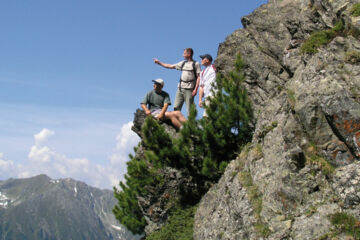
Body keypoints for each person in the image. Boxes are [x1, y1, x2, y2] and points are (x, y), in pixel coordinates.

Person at [153, 48, 201, 116]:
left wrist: (196, 89)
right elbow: (170, 66)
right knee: (176, 107)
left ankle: (191, 124)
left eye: (184, 53)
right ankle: (176, 124)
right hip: (180, 88)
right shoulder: (183, 63)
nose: (183, 55)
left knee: (190, 109)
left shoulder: (196, 64)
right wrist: (159, 63)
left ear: (189, 54)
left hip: (189, 89)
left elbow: (199, 77)